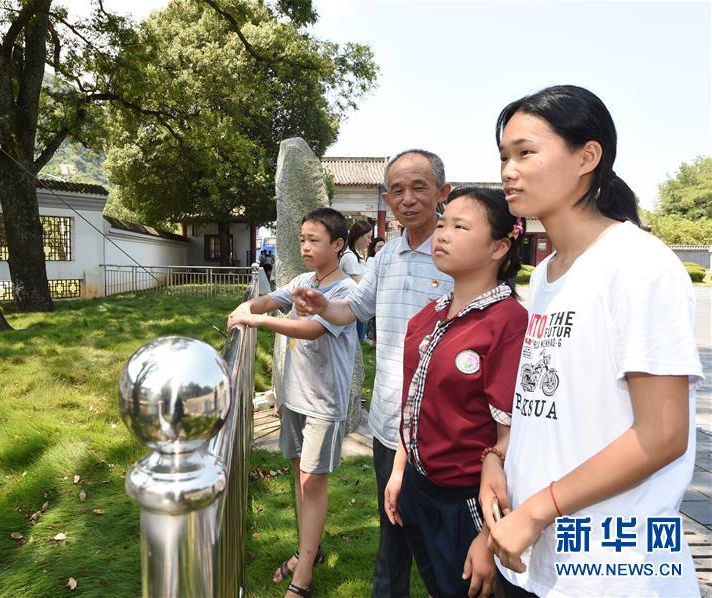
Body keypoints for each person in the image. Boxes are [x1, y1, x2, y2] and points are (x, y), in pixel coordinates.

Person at [482, 85, 702, 597]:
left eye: (525, 152)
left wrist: (538, 508)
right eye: (504, 157)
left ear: (588, 155)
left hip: (616, 570)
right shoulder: (543, 277)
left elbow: (663, 434)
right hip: (535, 560)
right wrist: (500, 462)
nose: (508, 171)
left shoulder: (639, 266)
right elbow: (552, 402)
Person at [293, 149, 454, 598]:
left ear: (442, 192)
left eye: (419, 187)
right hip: (388, 422)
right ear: (387, 197)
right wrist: (325, 305)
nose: (407, 199)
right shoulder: (387, 256)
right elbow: (356, 309)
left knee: (449, 544)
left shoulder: (456, 252)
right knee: (392, 534)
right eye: (397, 190)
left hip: (443, 426)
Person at [383, 186, 527, 598]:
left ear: (499, 246)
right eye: (442, 224)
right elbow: (413, 405)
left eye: (459, 226)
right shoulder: (427, 317)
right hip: (418, 490)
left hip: (468, 504)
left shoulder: (508, 323)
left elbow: (512, 440)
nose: (441, 234)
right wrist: (399, 472)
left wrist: (489, 536)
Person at [228, 207, 357, 598]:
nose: (305, 246)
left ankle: (302, 581)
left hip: (323, 403)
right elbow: (270, 300)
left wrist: (257, 321)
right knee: (299, 478)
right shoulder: (303, 279)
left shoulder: (345, 291)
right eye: (302, 239)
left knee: (312, 483)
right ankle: (308, 554)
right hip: (295, 398)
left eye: (314, 240)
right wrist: (246, 308)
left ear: (337, 244)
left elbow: (311, 329)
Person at [340, 220, 374, 341]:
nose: (370, 241)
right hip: (352, 307)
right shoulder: (349, 257)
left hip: (356, 307)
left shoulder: (356, 256)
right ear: (359, 235)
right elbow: (360, 285)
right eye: (368, 237)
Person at [365, 236, 386, 342]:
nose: (381, 249)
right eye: (379, 246)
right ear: (373, 248)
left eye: (383, 246)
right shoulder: (371, 260)